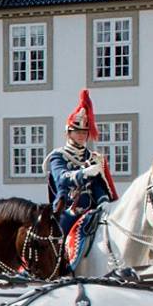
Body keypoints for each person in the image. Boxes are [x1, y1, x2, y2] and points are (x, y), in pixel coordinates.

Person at [47, 90, 115, 259]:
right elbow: (61, 178)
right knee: (58, 237)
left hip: (92, 209)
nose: (81, 136)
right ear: (68, 133)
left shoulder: (92, 157)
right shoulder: (58, 156)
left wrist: (104, 201)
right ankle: (56, 266)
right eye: (77, 132)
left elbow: (98, 185)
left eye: (84, 133)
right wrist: (83, 173)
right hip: (68, 207)